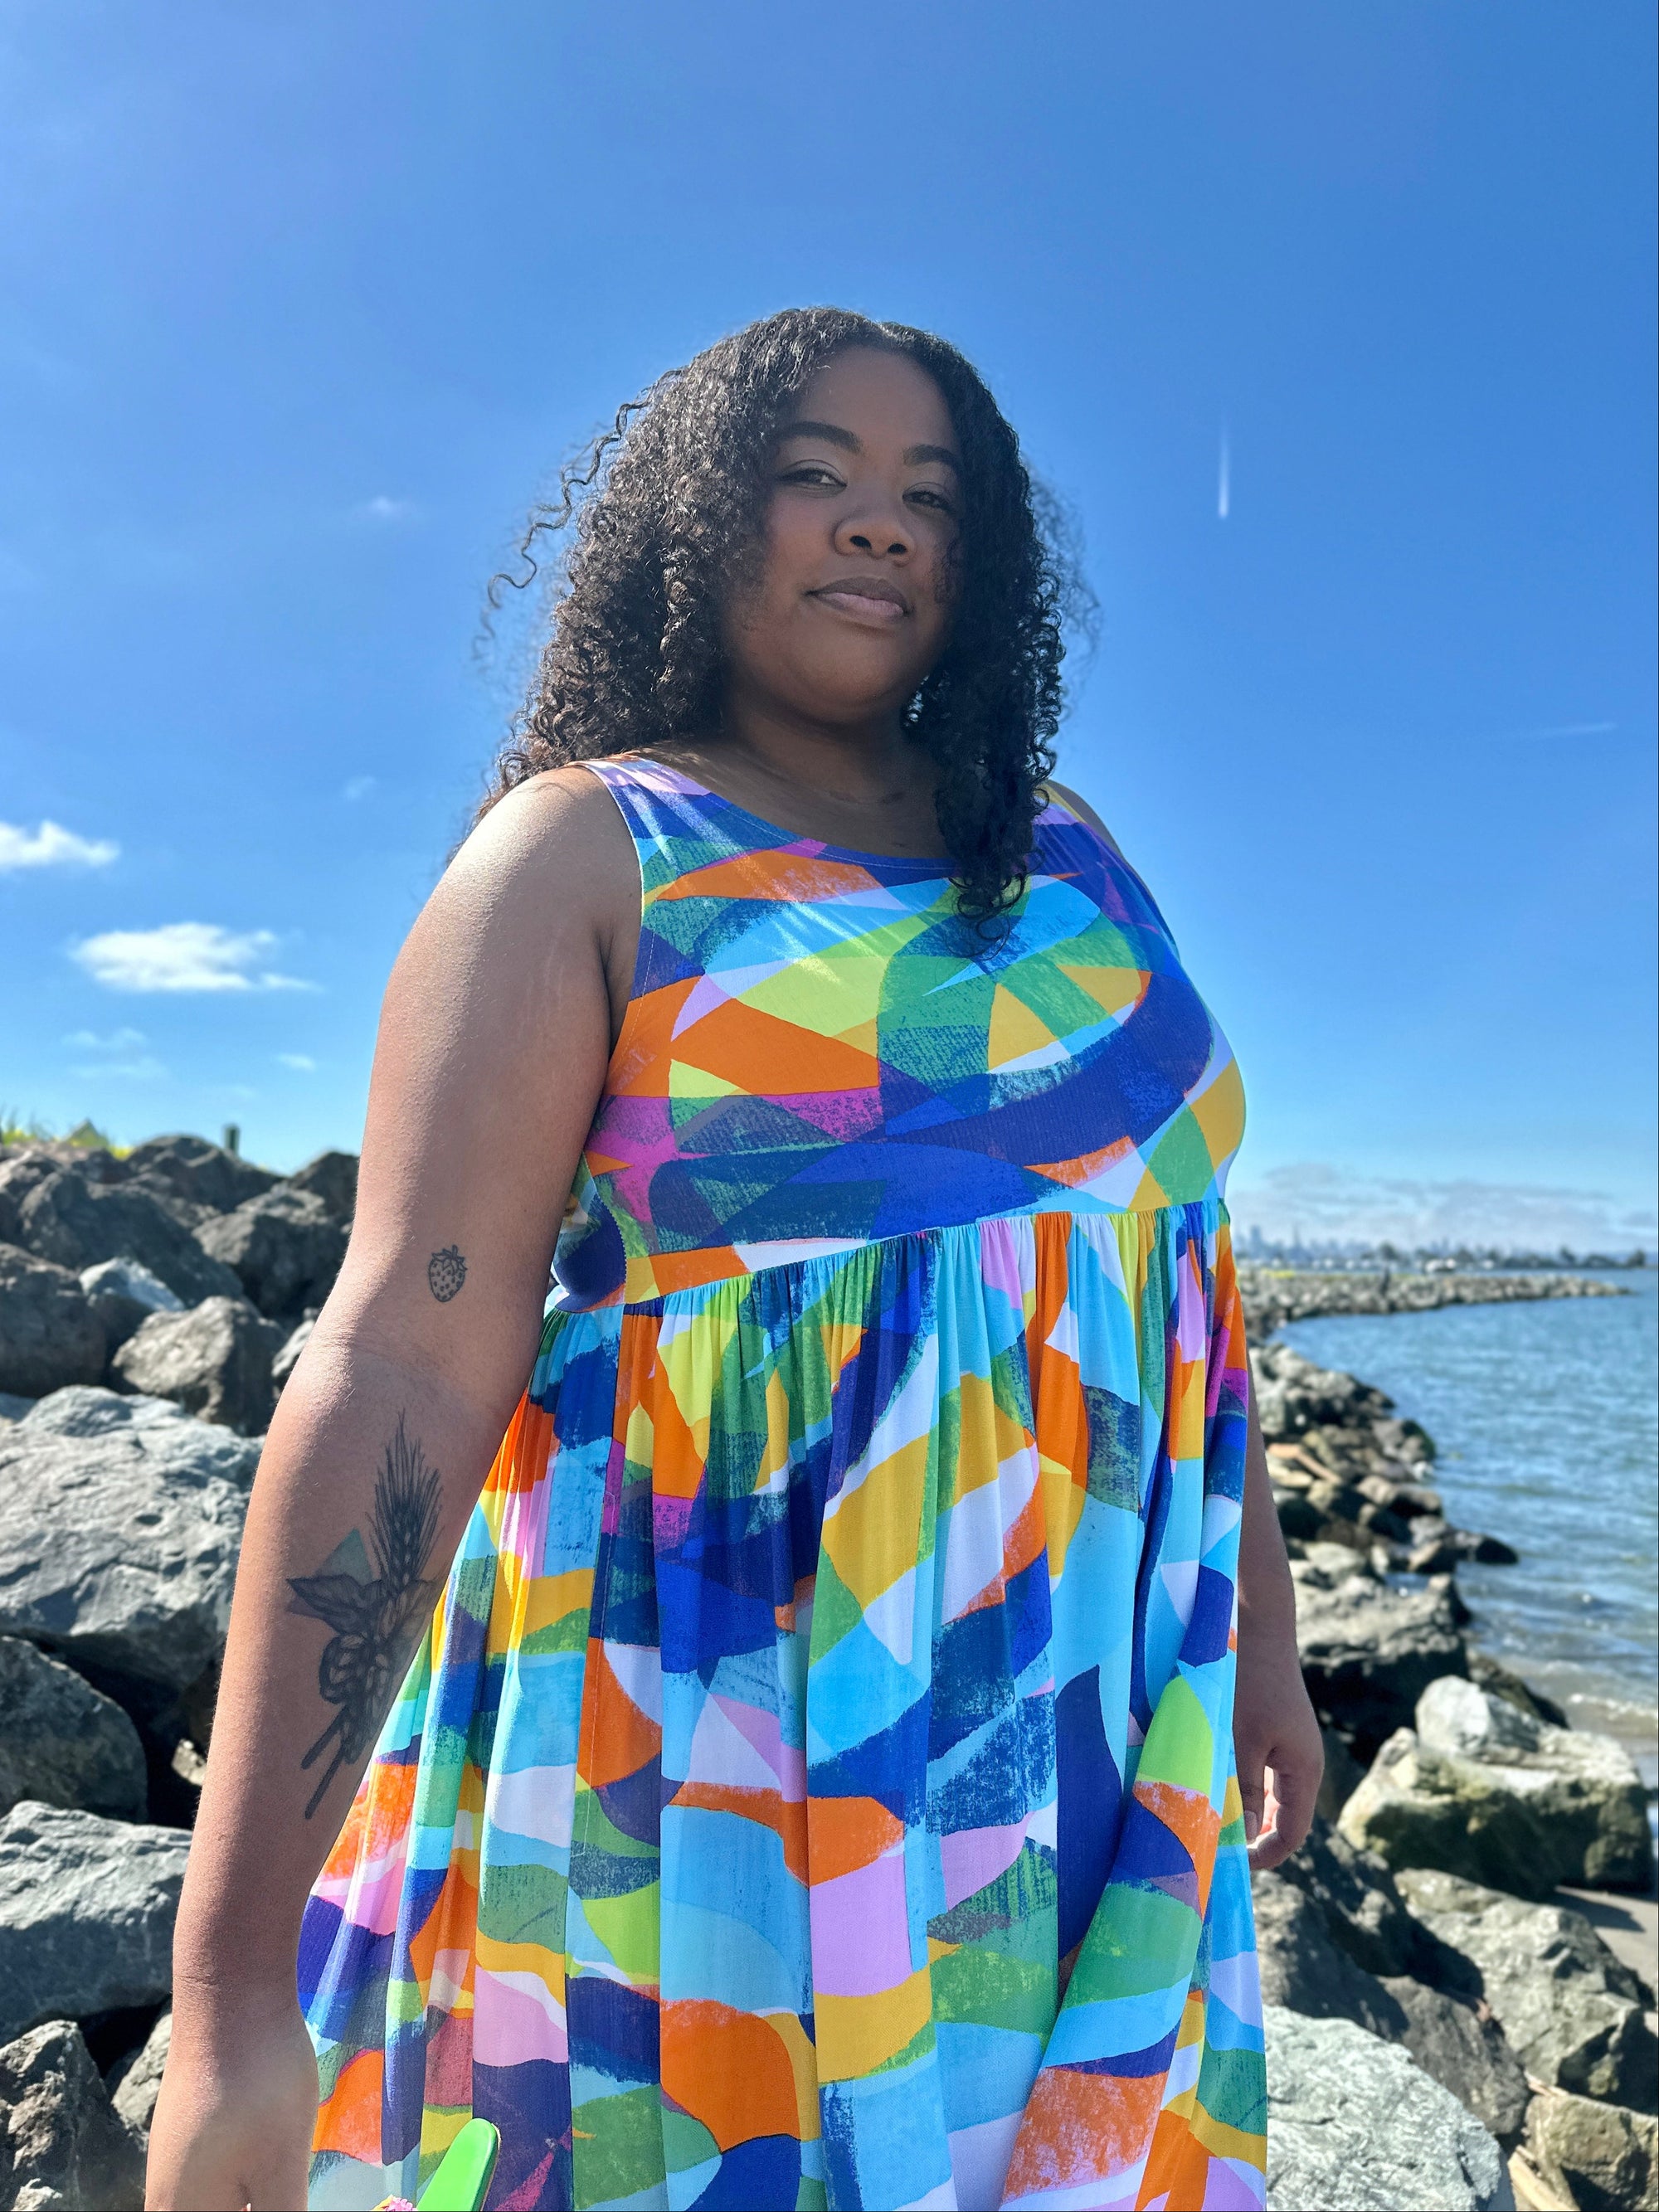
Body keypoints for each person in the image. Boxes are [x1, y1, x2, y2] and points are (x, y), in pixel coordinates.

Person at [147, 308, 1321, 2212]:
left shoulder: (1073, 852)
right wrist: (226, 1995)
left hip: (1083, 1769)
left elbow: (1175, 1271)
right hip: (719, 1787)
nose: (878, 526)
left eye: (928, 494)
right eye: (816, 474)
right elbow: (399, 1372)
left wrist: (1262, 1642)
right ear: (698, 516)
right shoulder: (583, 857)